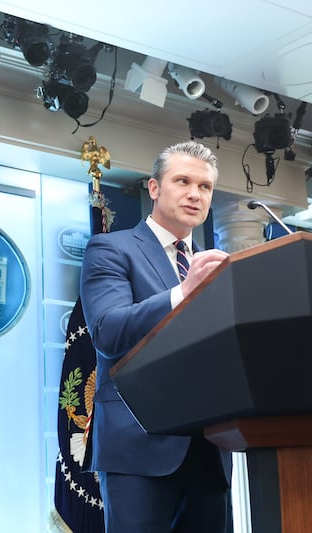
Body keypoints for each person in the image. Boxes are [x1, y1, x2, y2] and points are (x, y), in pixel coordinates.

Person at [80, 140, 233, 532]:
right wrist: (183, 293)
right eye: (182, 181)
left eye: (205, 187)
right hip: (139, 445)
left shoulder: (214, 265)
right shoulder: (110, 249)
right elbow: (107, 332)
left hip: (209, 448)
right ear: (153, 188)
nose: (195, 194)